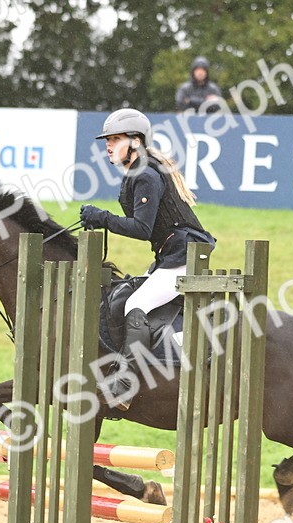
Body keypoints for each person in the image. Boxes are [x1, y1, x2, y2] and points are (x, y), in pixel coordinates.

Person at [79, 108, 215, 411]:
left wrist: (101, 217)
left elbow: (142, 229)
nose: (108, 146)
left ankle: (125, 385)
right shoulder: (140, 171)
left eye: (115, 139)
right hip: (172, 254)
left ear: (136, 141)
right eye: (107, 140)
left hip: (183, 255)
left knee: (134, 305)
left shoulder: (146, 175)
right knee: (125, 294)